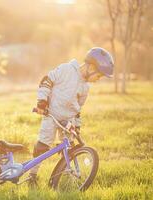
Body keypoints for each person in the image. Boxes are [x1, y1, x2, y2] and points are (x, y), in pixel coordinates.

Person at [29, 47, 114, 187]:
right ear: (91, 67)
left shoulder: (85, 87)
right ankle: (32, 175)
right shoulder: (66, 69)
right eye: (98, 76)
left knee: (69, 149)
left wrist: (77, 125)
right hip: (51, 115)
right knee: (42, 146)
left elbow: (78, 109)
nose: (97, 80)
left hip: (68, 121)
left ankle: (66, 175)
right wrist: (42, 102)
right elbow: (47, 81)